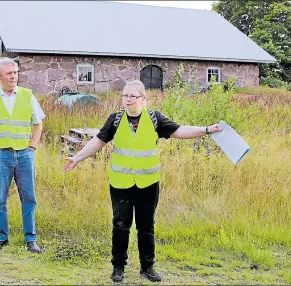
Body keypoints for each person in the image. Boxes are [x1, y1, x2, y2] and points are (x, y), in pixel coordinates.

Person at [64, 80, 221, 282]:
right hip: (121, 183)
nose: (128, 99)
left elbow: (180, 131)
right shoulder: (115, 119)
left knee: (146, 226)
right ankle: (118, 267)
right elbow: (98, 141)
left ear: (143, 99)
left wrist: (207, 129)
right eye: (125, 95)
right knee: (121, 225)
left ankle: (148, 267)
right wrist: (77, 158)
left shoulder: (155, 118)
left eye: (132, 96)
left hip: (148, 183)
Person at [0, 57, 46, 253]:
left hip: (24, 155)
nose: (14, 76)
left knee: (29, 198)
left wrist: (32, 146)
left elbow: (38, 123)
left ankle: (31, 240)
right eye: (9, 73)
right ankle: (0, 238)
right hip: (1, 156)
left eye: (15, 72)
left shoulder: (28, 95)